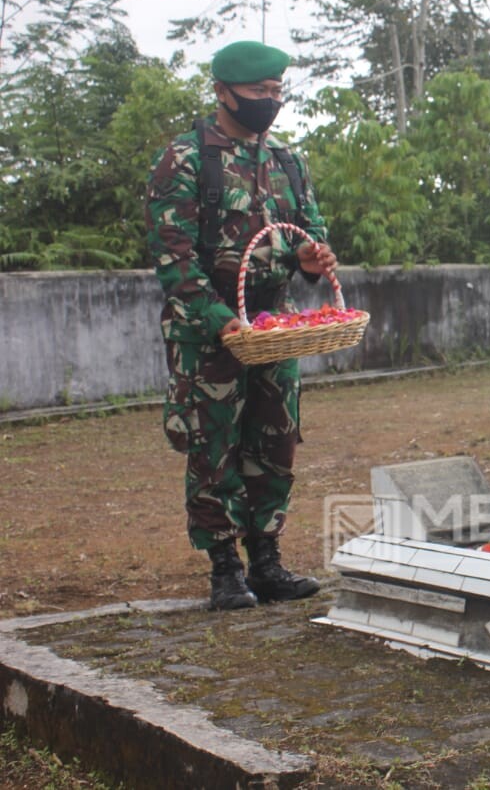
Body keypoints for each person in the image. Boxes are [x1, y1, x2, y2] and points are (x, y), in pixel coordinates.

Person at [145, 41, 334, 610]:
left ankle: (268, 560)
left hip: (275, 327)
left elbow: (309, 234)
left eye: (277, 92)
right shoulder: (185, 160)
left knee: (275, 441)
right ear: (222, 92)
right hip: (210, 333)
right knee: (214, 446)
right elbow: (173, 257)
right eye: (258, 93)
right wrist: (222, 321)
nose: (269, 102)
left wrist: (313, 263)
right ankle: (225, 568)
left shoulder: (288, 162)